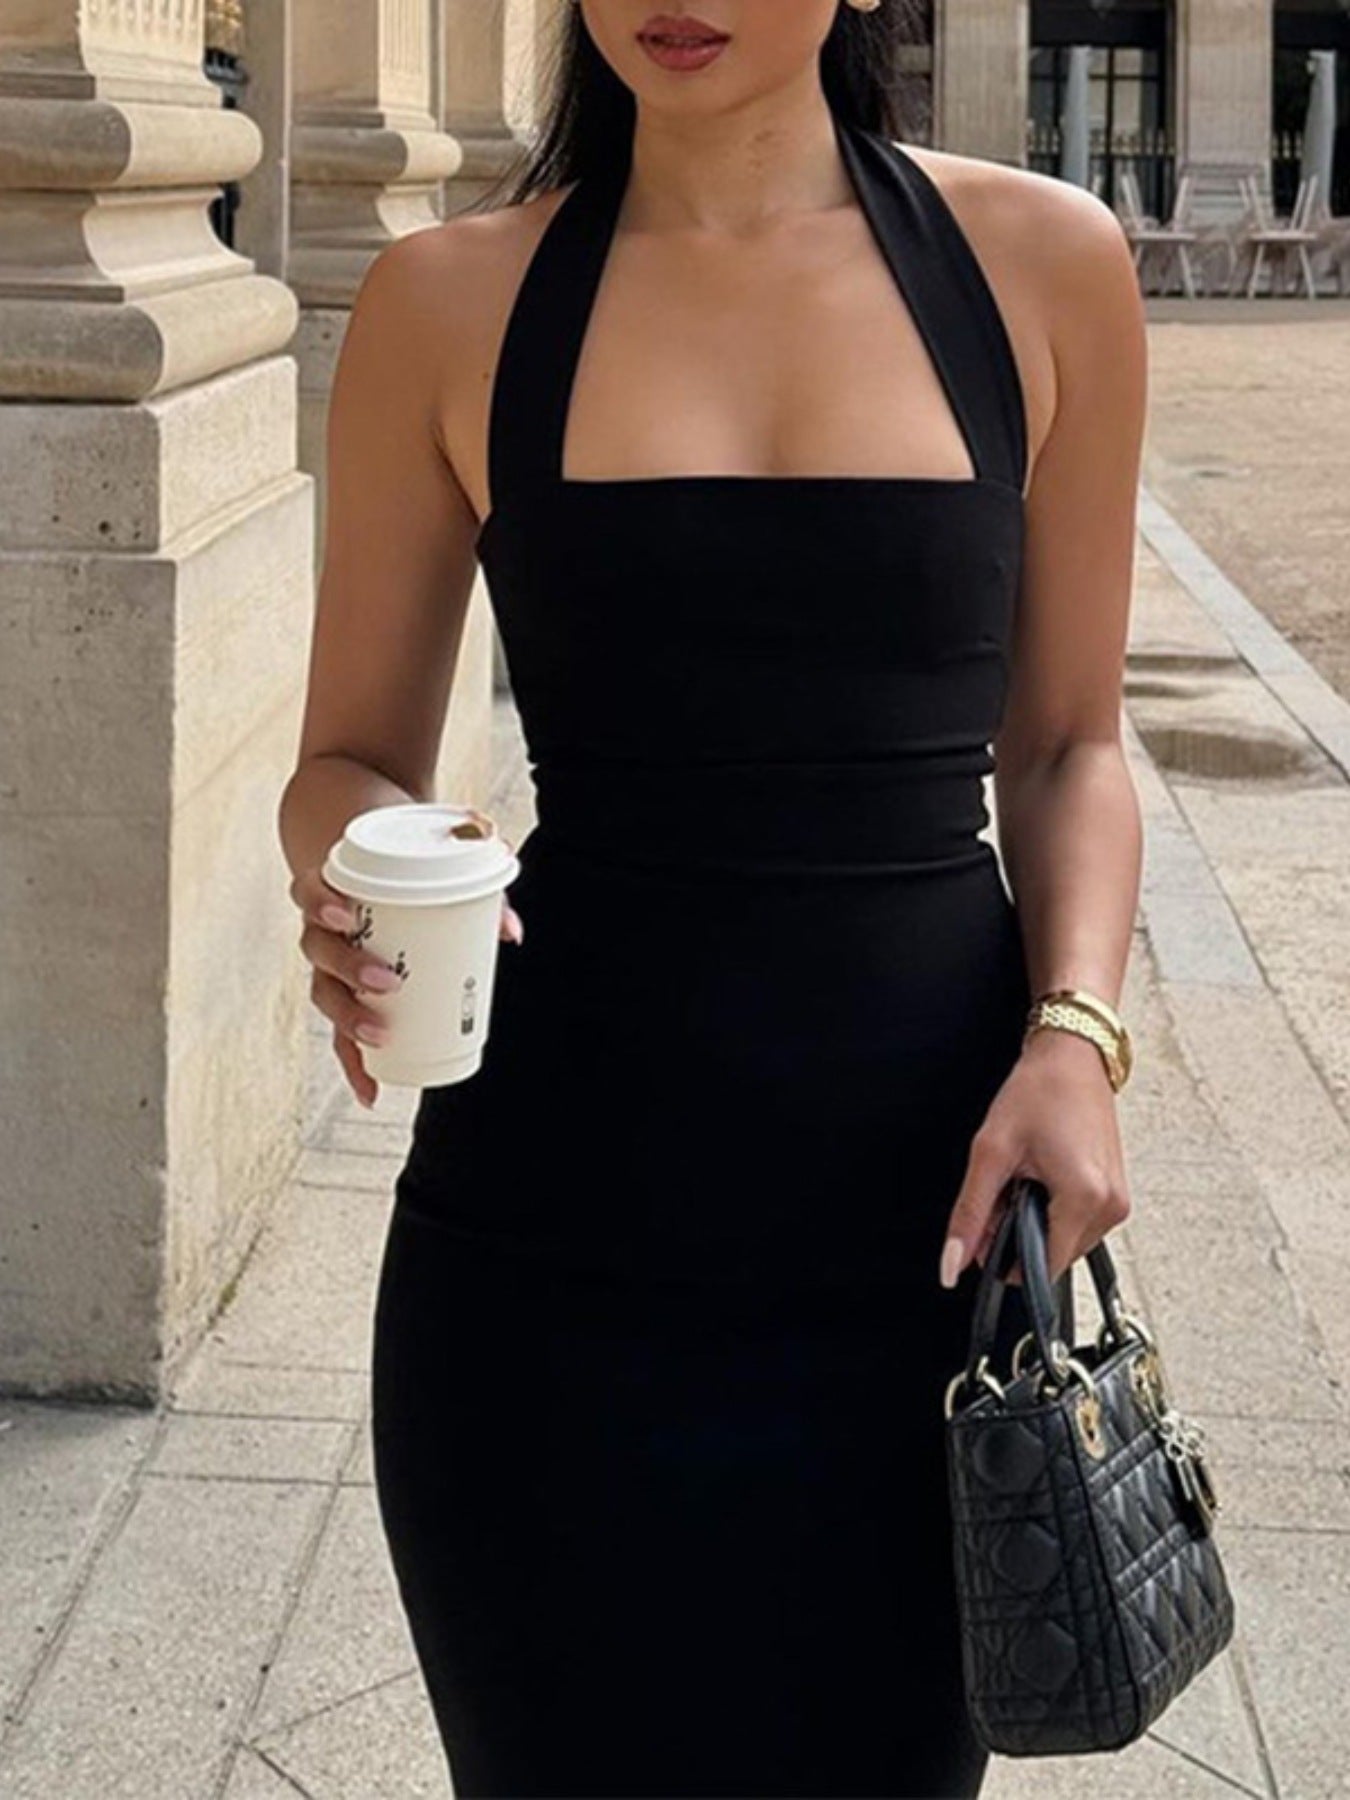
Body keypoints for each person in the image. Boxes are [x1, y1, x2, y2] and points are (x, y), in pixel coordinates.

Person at [277, 1, 1146, 1793]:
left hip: (919, 1256)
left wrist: (1074, 1036)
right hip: (537, 1247)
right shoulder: (446, 301)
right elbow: (345, 758)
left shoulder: (1043, 267)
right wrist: (361, 882)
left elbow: (1068, 742)